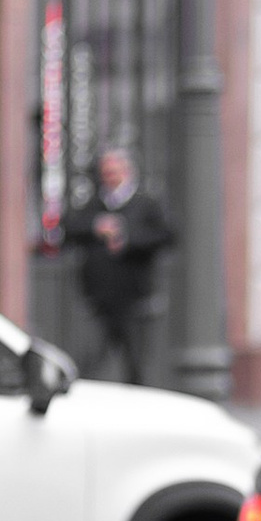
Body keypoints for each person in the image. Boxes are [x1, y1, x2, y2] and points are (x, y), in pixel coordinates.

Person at [65, 147, 173, 386]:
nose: (110, 177)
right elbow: (69, 228)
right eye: (106, 172)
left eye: (114, 171)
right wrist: (95, 227)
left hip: (134, 298)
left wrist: (128, 240)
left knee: (136, 363)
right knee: (91, 363)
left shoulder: (146, 203)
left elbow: (165, 236)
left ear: (127, 171)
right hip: (98, 298)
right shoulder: (94, 204)